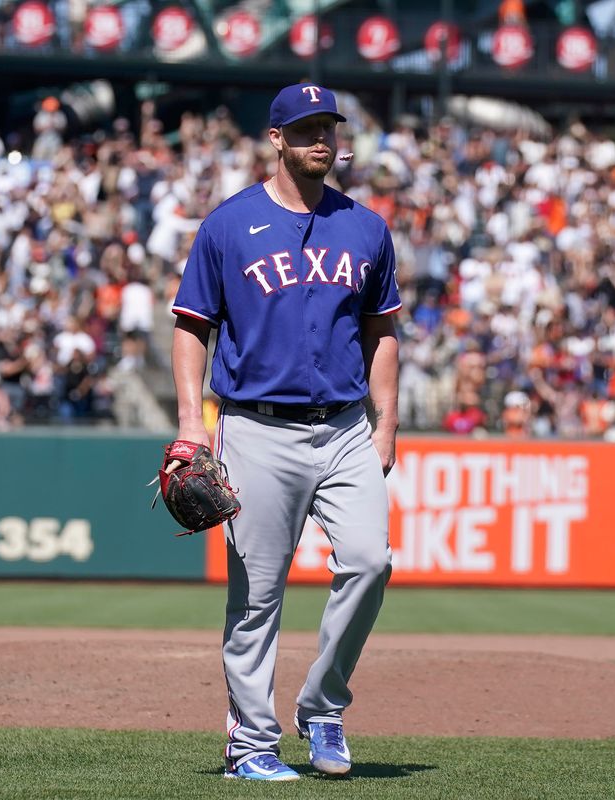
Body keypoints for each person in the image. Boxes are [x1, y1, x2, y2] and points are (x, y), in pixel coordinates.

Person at [169, 83, 400, 782]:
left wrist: (386, 427)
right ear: (276, 139)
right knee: (257, 596)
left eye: (326, 127)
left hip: (343, 428)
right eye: (304, 130)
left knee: (370, 561)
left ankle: (323, 709)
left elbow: (381, 330)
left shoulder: (365, 226)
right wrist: (190, 425)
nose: (318, 140)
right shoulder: (228, 225)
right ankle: (251, 745)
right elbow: (191, 327)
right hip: (256, 428)